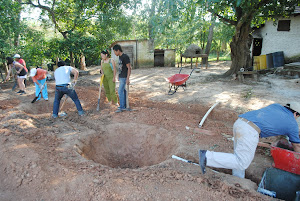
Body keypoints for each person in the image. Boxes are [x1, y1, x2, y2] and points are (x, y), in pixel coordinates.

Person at [199, 102, 300, 178]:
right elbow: (297, 146)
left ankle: (237, 178)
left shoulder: (277, 106)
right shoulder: (292, 124)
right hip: (250, 130)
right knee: (242, 161)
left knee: (238, 156)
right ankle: (207, 157)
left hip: (240, 123)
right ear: (296, 113)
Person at [112, 44, 131, 113]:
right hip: (121, 76)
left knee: (120, 91)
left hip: (124, 77)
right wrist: (118, 75)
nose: (114, 53)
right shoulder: (120, 57)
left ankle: (122, 107)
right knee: (124, 91)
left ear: (118, 50)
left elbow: (129, 68)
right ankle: (125, 104)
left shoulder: (125, 57)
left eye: (114, 51)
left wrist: (128, 78)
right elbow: (121, 68)